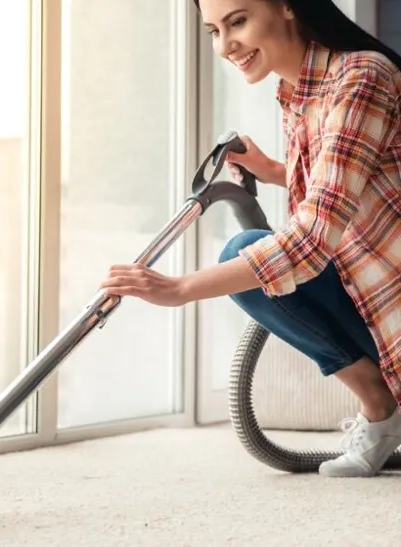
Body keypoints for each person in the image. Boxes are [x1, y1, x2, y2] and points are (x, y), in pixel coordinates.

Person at [100, 0, 401, 478]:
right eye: (213, 31)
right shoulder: (296, 91)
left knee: (245, 255)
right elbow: (353, 186)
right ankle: (381, 407)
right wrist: (275, 172)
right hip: (374, 298)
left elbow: (312, 239)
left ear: (286, 6)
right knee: (248, 256)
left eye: (237, 21)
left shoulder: (362, 76)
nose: (225, 46)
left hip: (392, 304)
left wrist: (179, 289)